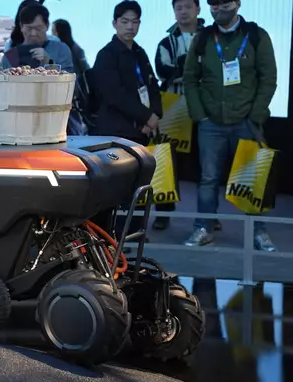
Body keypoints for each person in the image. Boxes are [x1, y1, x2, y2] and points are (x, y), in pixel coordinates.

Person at [182, 0, 277, 251]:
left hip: (247, 121)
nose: (218, 10)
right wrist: (199, 114)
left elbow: (269, 78)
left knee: (252, 181)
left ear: (237, 4)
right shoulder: (203, 38)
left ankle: (259, 233)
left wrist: (256, 115)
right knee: (208, 178)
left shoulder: (256, 36)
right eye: (213, 5)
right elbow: (190, 78)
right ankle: (203, 228)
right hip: (211, 123)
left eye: (224, 4)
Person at [90, 1, 162, 244]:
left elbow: (151, 85)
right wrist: (145, 116)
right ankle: (112, 236)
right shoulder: (106, 55)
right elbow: (113, 94)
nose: (130, 27)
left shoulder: (139, 52)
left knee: (138, 184)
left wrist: (155, 115)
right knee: (117, 187)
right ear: (115, 23)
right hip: (116, 131)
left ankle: (133, 232)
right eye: (125, 21)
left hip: (140, 130)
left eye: (135, 22)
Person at [151, 0, 205, 231]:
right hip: (173, 107)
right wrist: (190, 68)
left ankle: (208, 216)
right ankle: (163, 212)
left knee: (205, 164)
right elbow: (162, 71)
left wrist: (182, 68)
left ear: (198, 9)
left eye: (188, 7)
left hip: (202, 108)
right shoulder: (166, 41)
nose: (183, 11)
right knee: (167, 161)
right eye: (178, 7)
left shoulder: (210, 37)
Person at [1, 4, 74, 73]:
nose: (33, 33)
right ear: (21, 26)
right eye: (29, 28)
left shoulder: (61, 50)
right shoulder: (10, 56)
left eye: (38, 28)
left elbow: (69, 81)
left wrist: (49, 63)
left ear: (47, 25)